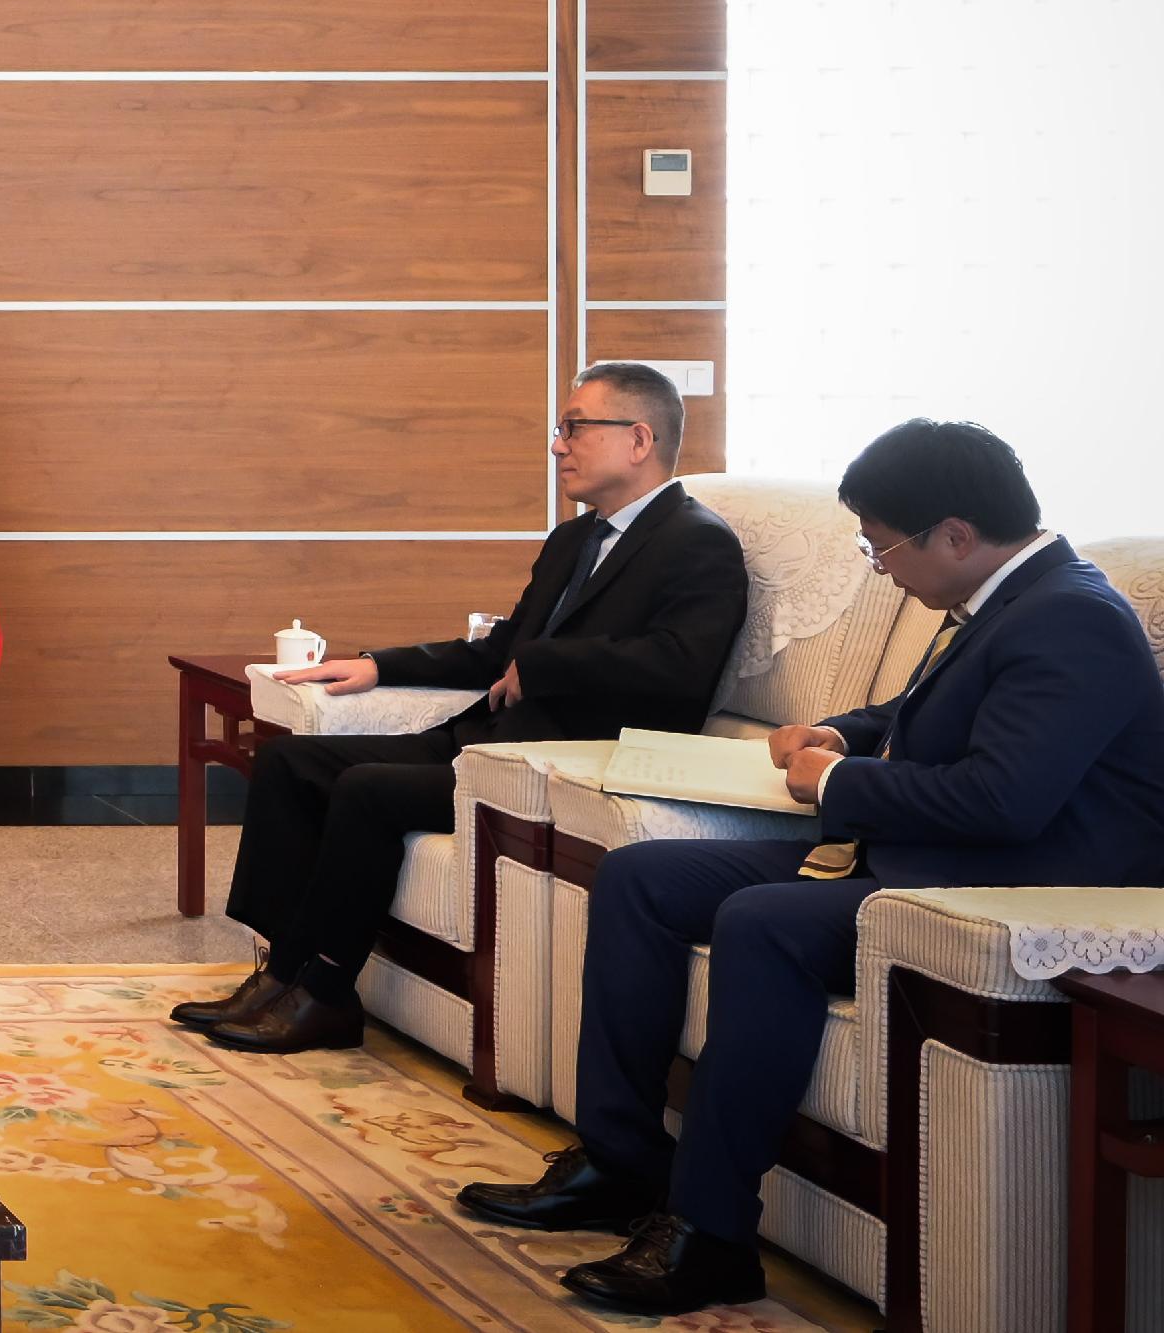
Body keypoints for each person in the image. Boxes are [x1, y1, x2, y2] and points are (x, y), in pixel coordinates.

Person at [459, 419, 1164, 1313]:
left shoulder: (1072, 618)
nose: (882, 570)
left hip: (1008, 879)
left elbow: (1003, 799)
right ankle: (620, 1162)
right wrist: (842, 732)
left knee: (763, 923)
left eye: (883, 547)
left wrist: (837, 779)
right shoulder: (1009, 599)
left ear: (954, 532)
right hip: (921, 854)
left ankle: (710, 1234)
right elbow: (920, 714)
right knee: (643, 876)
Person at [181, 361, 750, 1055]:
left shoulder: (699, 542)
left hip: (556, 760)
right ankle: (280, 971)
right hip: (486, 739)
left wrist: (540, 665)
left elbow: (679, 668)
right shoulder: (574, 538)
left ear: (638, 438)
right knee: (290, 760)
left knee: (364, 790)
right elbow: (502, 648)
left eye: (574, 427)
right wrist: (379, 664)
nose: (557, 445)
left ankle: (327, 992)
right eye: (559, 428)